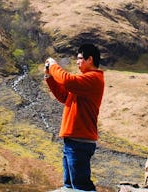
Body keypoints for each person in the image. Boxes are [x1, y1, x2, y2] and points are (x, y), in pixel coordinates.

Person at [44, 44, 105, 191]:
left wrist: (53, 66)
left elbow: (67, 81)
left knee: (81, 187)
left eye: (79, 58)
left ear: (89, 59)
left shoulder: (94, 79)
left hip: (79, 141)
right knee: (70, 186)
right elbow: (64, 96)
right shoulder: (84, 81)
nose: (77, 62)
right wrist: (49, 77)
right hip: (73, 141)